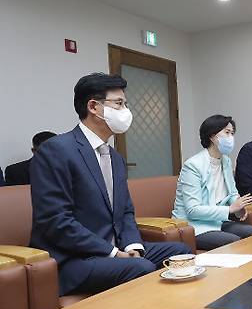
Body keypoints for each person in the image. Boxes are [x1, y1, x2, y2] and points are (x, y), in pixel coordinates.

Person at [30, 72, 192, 296]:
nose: (125, 111)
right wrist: (114, 252)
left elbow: (125, 211)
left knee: (180, 252)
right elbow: (56, 221)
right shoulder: (56, 150)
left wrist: (132, 246)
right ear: (94, 107)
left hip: (115, 250)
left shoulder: (115, 157)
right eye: (119, 104)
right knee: (141, 267)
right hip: (74, 259)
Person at [173, 115, 252, 250]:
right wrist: (230, 209)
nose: (231, 137)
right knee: (233, 241)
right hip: (195, 225)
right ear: (212, 137)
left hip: (218, 221)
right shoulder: (193, 165)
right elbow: (192, 210)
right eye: (227, 132)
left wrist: (238, 207)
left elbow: (232, 192)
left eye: (232, 133)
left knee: (251, 232)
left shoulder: (226, 161)